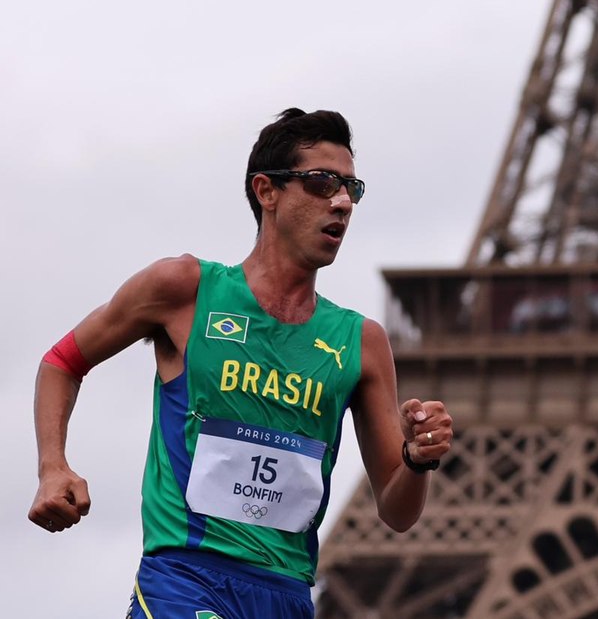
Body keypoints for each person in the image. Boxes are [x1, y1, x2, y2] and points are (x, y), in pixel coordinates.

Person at [28, 108, 454, 618]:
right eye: (322, 183)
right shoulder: (184, 289)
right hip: (185, 581)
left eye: (351, 188)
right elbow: (61, 361)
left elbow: (397, 510)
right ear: (266, 191)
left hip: (287, 594)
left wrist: (418, 458)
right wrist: (53, 467)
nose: (341, 202)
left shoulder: (360, 341)